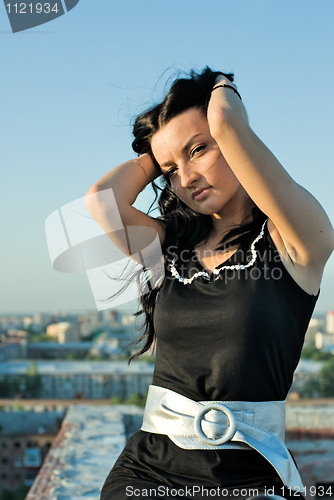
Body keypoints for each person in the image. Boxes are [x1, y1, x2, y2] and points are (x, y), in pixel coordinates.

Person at [85, 67, 334, 500]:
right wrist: (160, 150)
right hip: (148, 470)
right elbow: (100, 200)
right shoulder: (169, 245)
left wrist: (221, 85)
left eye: (199, 151)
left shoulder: (295, 241)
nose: (186, 178)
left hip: (251, 475)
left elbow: (226, 122)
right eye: (171, 172)